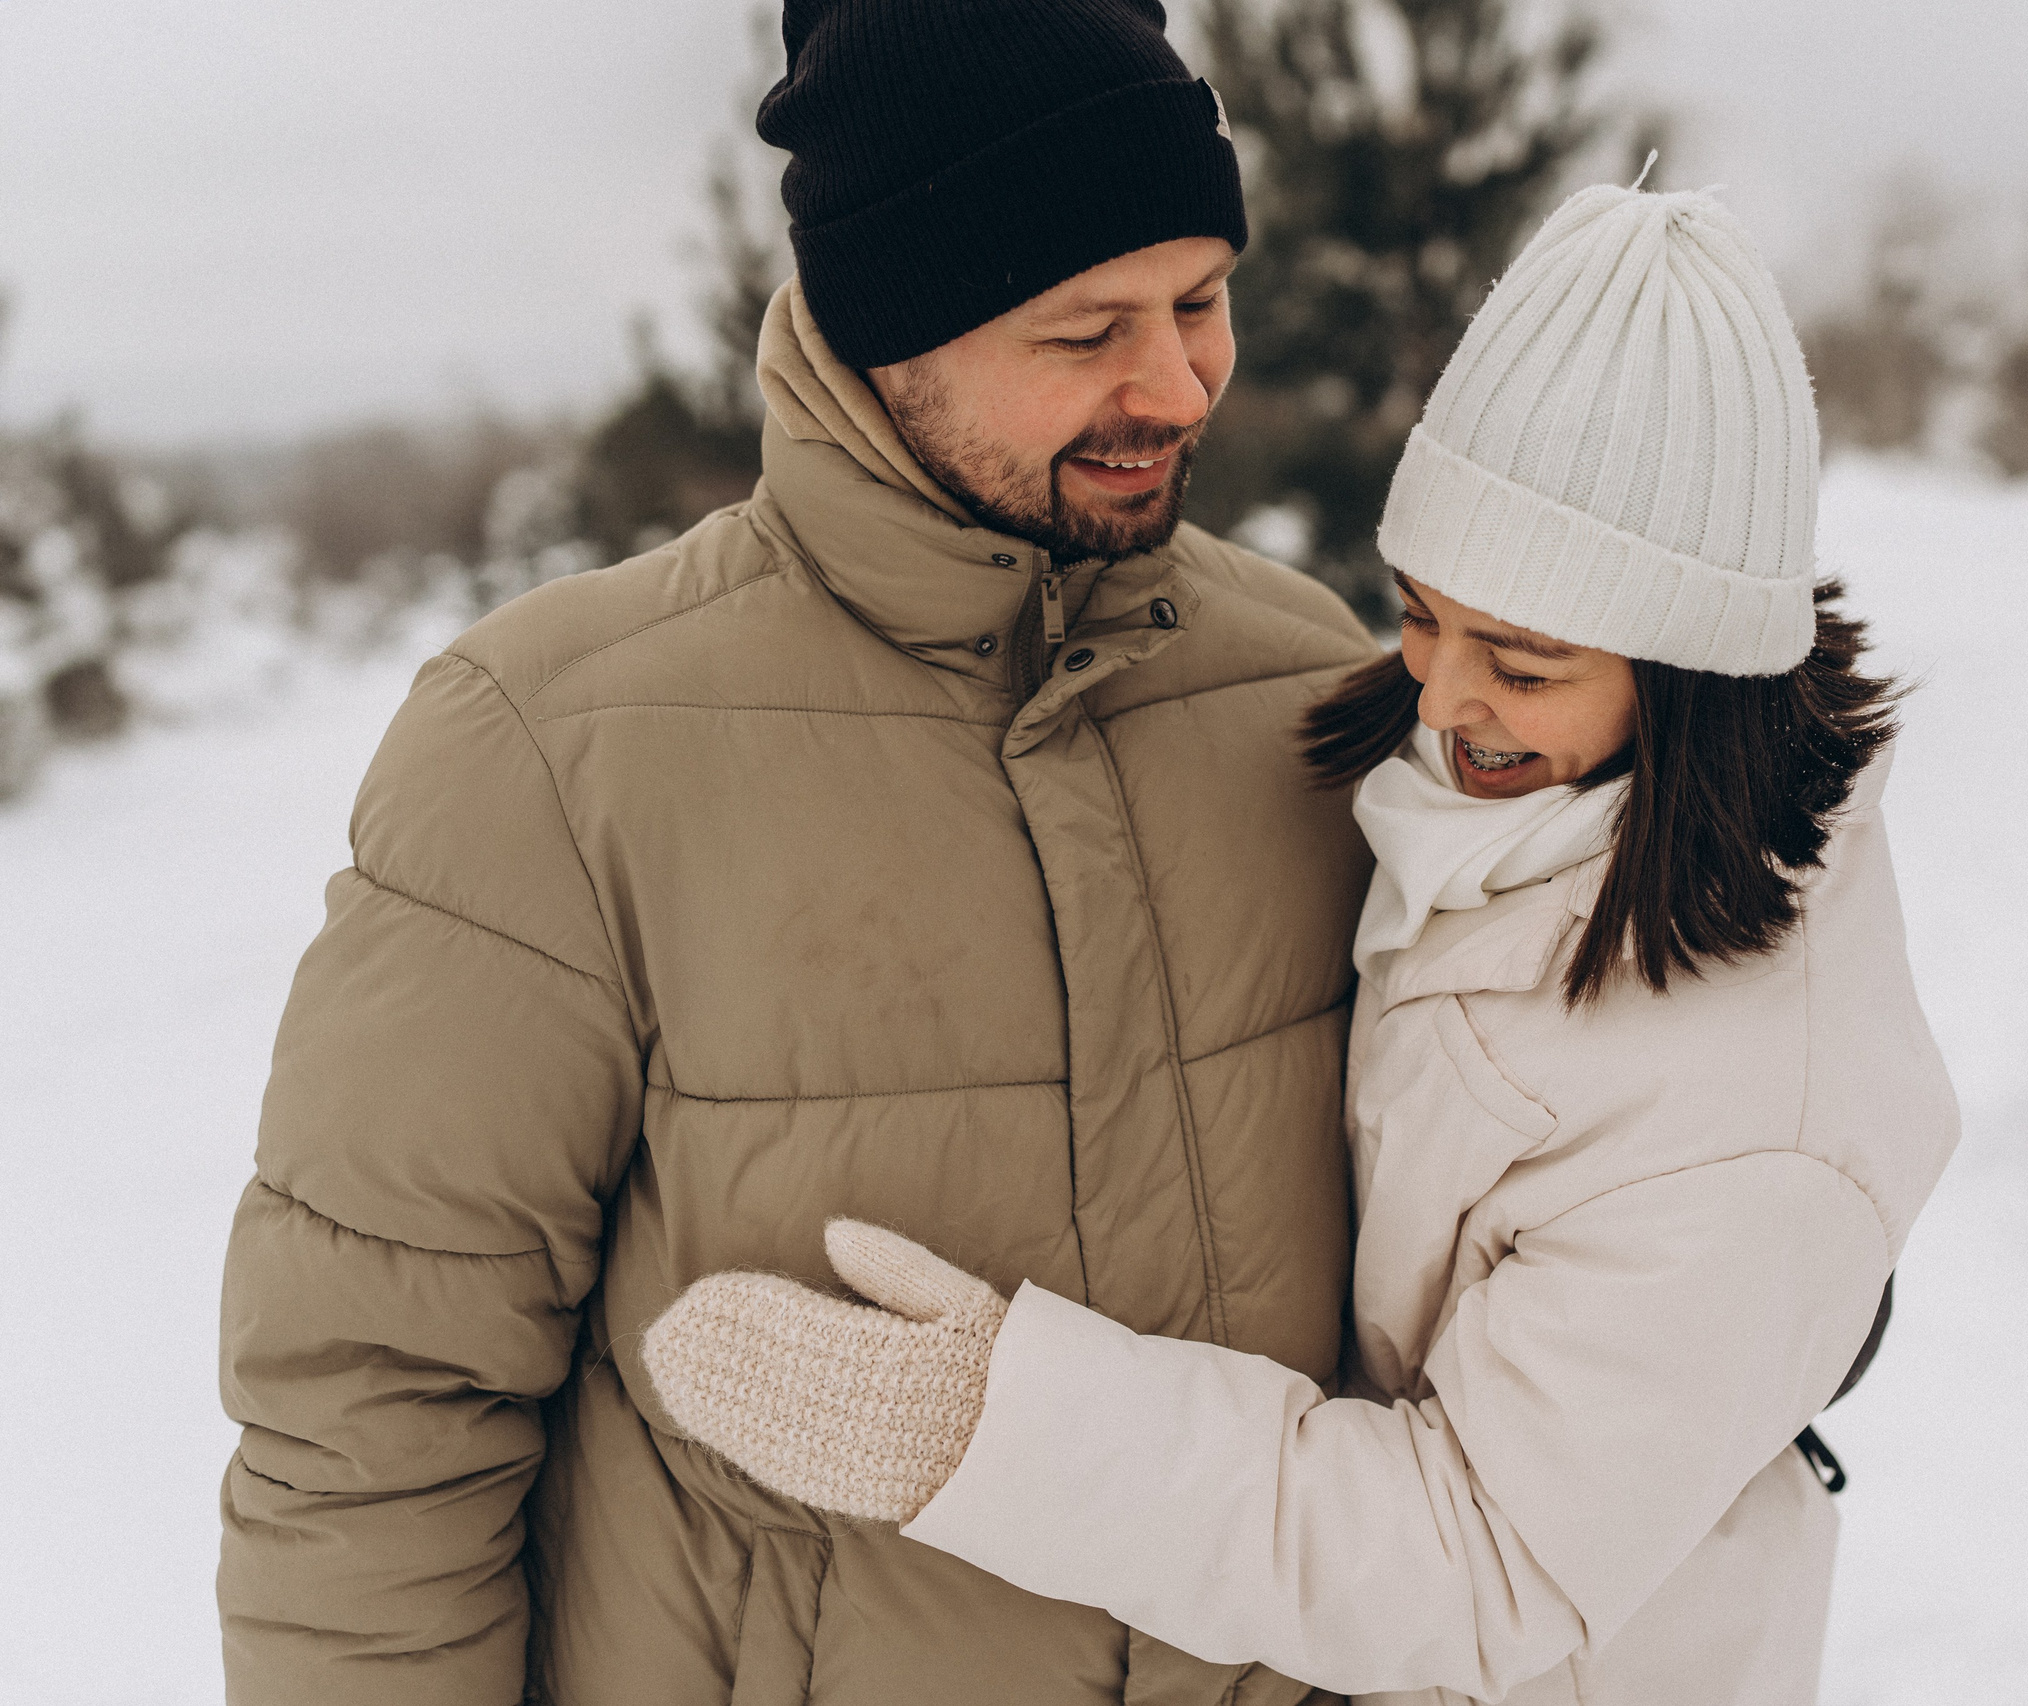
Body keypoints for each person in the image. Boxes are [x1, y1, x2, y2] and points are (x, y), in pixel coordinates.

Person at [641, 183, 1964, 1706]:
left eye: (1524, 664)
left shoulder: (1742, 1133)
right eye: (1421, 613)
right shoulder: (1516, 817)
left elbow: (1474, 1566)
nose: (1444, 695)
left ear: (1697, 678)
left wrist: (995, 1428)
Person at [213, 2, 1381, 1701]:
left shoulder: (1315, 687)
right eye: (1086, 329)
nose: (1178, 381)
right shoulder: (554, 748)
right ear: (887, 321)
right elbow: (377, 1413)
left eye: (1202, 301)